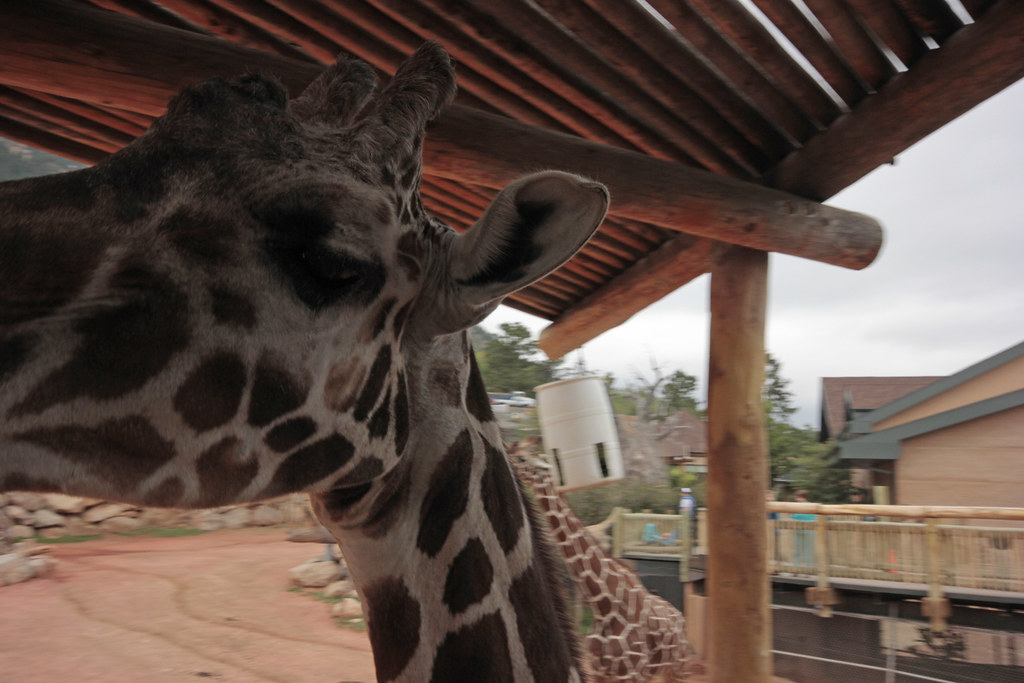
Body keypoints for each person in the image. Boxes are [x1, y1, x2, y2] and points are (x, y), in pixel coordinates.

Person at [791, 490, 817, 568]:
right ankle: (796, 567)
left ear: (804, 498)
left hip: (808, 531)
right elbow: (793, 517)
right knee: (797, 549)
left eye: (799, 498)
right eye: (797, 498)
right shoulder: (795, 506)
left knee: (808, 550)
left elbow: (813, 518)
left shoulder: (810, 506)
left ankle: (808, 568)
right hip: (798, 530)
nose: (797, 499)